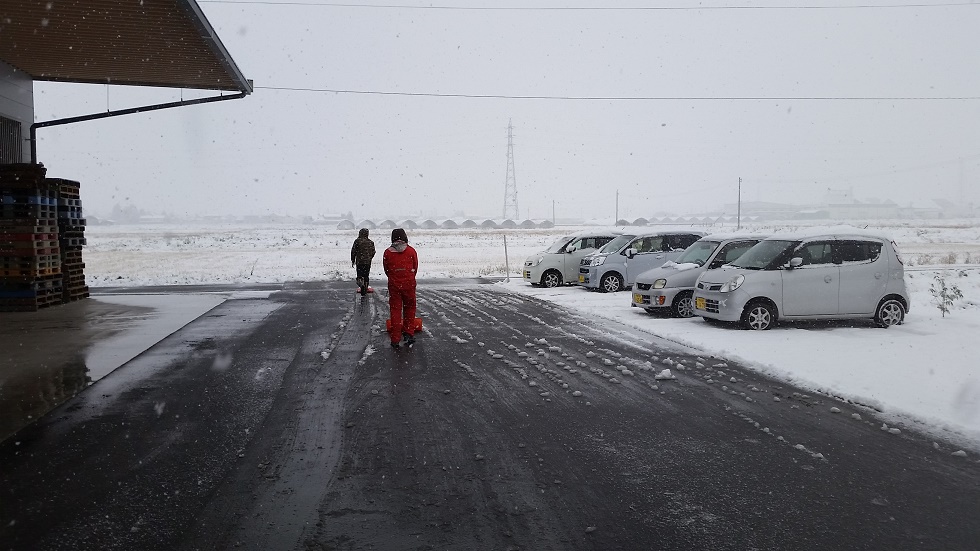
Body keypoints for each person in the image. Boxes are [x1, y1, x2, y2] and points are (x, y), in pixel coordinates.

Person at [382, 228, 419, 348]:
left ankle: (395, 339)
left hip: (394, 286)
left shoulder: (387, 253)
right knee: (410, 308)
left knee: (395, 311)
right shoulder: (411, 251)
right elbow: (415, 267)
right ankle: (409, 333)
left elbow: (386, 270)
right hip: (409, 284)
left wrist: (394, 278)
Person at [350, 228, 376, 296]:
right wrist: (369, 258)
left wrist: (353, 260)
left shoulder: (357, 241)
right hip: (367, 262)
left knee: (359, 275)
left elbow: (353, 251)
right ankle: (366, 285)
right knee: (366, 275)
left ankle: (361, 285)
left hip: (359, 262)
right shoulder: (371, 242)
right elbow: (373, 252)